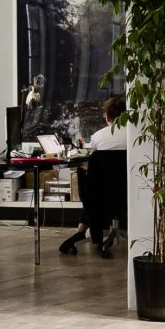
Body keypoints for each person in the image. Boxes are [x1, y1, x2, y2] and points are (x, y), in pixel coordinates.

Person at [61, 95, 128, 256]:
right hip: (127, 194)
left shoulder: (98, 136)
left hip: (101, 197)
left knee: (92, 187)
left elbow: (95, 163)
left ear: (107, 117)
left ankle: (81, 231)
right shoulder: (133, 135)